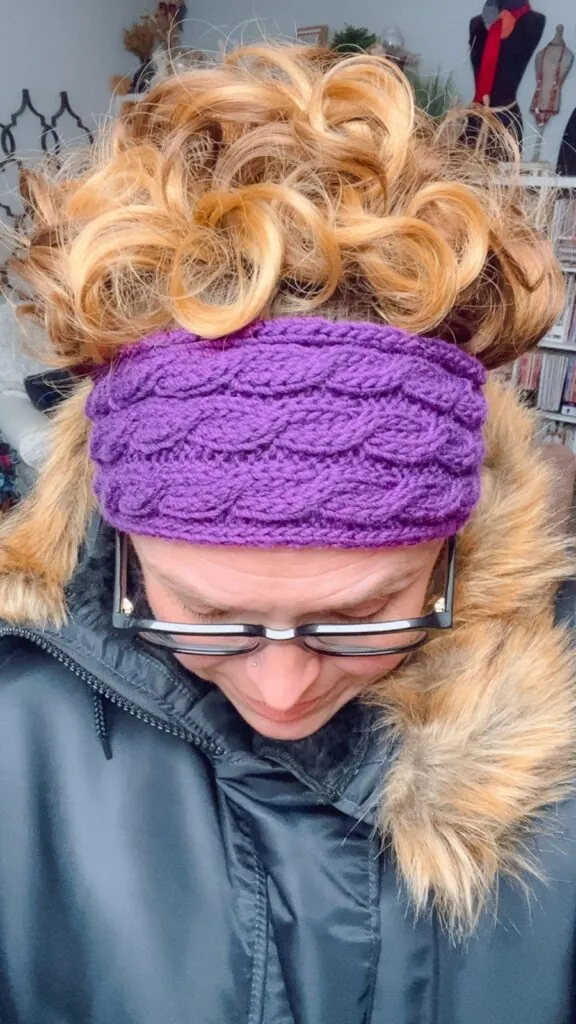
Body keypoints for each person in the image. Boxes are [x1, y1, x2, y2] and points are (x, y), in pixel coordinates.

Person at [0, 44, 574, 1024]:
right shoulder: (19, 731)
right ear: (125, 541)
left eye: (361, 613)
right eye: (206, 613)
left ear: (455, 543)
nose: (280, 687)